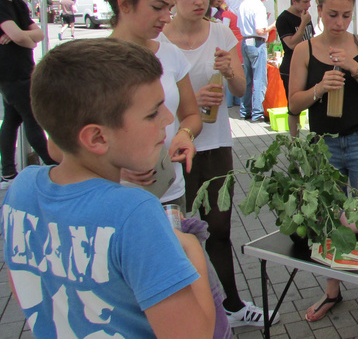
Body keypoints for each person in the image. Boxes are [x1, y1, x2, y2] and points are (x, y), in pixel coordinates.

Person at [1, 38, 215, 338]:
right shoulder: (135, 212)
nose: (169, 118)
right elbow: (195, 334)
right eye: (153, 113)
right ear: (97, 138)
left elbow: (25, 285)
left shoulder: (20, 189)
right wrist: (190, 247)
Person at [161, 0, 276, 328]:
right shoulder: (158, 40)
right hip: (174, 148)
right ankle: (188, 314)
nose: (198, 2)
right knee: (178, 232)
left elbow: (242, 92)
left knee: (219, 228)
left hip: (216, 144)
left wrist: (229, 71)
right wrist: (189, 101)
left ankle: (232, 304)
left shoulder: (221, 33)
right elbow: (152, 103)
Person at [288, 0, 358, 329]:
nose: (339, 22)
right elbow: (292, 103)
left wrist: (354, 67)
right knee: (327, 219)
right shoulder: (304, 50)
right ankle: (332, 291)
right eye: (332, 14)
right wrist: (319, 88)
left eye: (346, 16)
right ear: (318, 10)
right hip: (325, 143)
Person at [104, 0, 202, 210]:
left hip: (169, 191)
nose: (166, 18)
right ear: (124, 3)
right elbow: (60, 146)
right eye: (158, 7)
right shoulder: (92, 63)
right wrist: (116, 166)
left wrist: (184, 134)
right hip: (113, 195)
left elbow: (191, 115)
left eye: (169, 8)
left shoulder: (171, 55)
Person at [0, 0, 56, 188]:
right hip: (11, 73)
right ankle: (54, 167)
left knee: (12, 121)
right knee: (33, 118)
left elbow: (39, 34)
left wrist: (21, 37)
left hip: (24, 70)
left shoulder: (19, 4)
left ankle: (7, 174)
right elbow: (27, 37)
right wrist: (24, 38)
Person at [276, 0, 314, 136]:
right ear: (294, 0)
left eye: (309, 1)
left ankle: (314, 137)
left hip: (310, 65)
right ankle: (295, 140)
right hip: (291, 67)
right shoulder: (284, 19)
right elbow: (291, 44)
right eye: (305, 1)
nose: (308, 5)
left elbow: (311, 38)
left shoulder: (306, 15)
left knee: (314, 100)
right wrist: (303, 23)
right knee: (294, 106)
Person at [239, 0, 276, 122]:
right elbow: (260, 30)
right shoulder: (258, 5)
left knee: (248, 78)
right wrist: (272, 26)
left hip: (245, 41)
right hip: (256, 42)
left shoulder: (244, 4)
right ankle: (257, 112)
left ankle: (244, 110)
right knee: (259, 78)